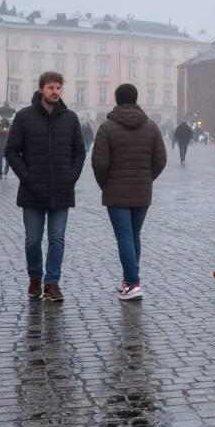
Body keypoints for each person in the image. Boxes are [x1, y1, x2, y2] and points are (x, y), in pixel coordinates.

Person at [5, 72, 85, 302]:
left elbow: (79, 151)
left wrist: (72, 176)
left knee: (57, 238)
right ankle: (35, 278)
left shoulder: (70, 118)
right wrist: (26, 177)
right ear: (41, 89)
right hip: (32, 189)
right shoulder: (24, 116)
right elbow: (12, 151)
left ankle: (52, 283)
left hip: (62, 188)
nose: (55, 92)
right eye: (51, 87)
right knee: (32, 239)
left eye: (58, 88)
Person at [92, 84, 166, 301]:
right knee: (134, 235)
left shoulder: (106, 127)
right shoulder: (151, 126)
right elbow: (160, 159)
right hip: (142, 191)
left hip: (116, 191)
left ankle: (133, 284)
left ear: (116, 99)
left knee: (125, 236)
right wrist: (146, 178)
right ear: (136, 98)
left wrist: (105, 183)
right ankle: (129, 281)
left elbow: (99, 163)